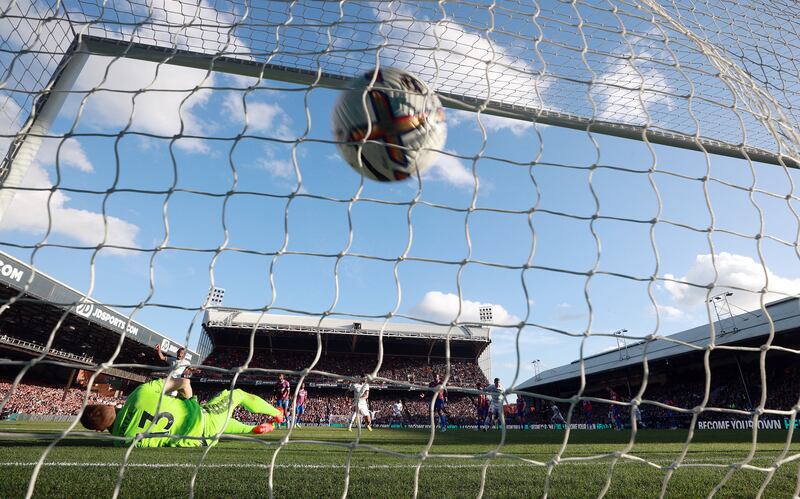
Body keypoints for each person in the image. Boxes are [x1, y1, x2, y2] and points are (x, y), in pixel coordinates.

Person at [80, 377, 284, 447]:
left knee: (218, 423)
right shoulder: (139, 394)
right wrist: (185, 401)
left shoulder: (122, 441)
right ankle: (277, 413)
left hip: (200, 440)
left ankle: (251, 429)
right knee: (237, 394)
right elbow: (184, 383)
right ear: (108, 404)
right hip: (204, 418)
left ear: (99, 431)